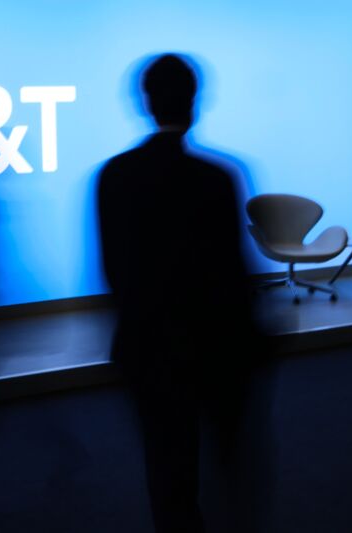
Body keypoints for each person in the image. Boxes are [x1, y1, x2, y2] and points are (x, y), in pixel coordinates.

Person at [97, 54, 272, 533]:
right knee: (230, 469)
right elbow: (233, 275)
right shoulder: (217, 178)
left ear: (144, 102)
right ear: (195, 101)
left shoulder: (114, 177)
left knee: (167, 472)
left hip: (148, 350)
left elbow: (115, 273)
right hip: (214, 347)